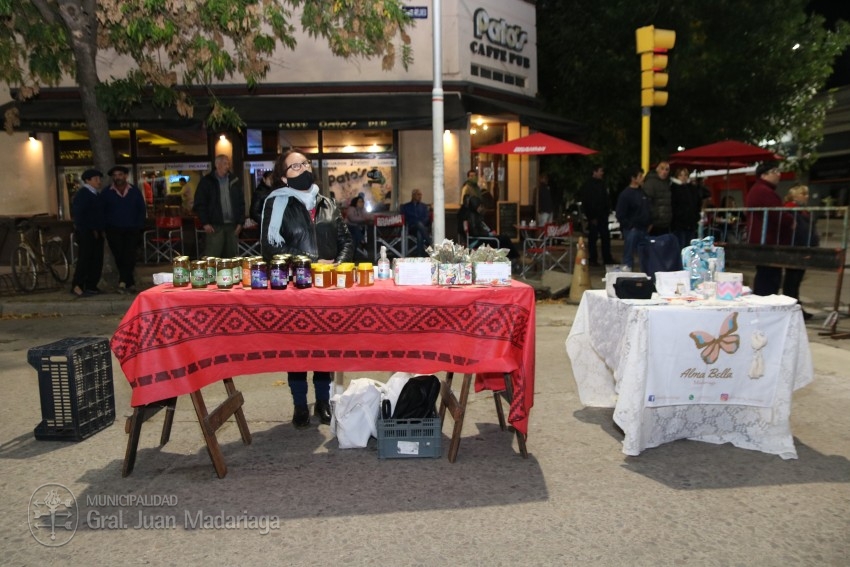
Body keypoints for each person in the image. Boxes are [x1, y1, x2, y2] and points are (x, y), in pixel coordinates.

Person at [260, 149, 354, 428]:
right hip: (295, 287)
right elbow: (269, 250)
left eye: (305, 164)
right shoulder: (276, 205)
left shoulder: (327, 203)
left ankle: (322, 402)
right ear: (283, 177)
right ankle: (300, 405)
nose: (303, 169)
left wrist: (336, 267)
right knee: (298, 349)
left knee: (324, 347)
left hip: (327, 288)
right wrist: (313, 263)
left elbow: (346, 240)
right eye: (295, 166)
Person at [745, 161, 795, 296]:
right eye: (775, 171)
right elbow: (777, 214)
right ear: (764, 175)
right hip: (767, 241)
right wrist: (791, 221)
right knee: (768, 277)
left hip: (764, 239)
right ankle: (764, 306)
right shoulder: (763, 191)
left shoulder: (761, 189)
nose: (779, 175)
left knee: (767, 275)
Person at [102, 165, 146, 293]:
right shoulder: (106, 192)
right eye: (115, 176)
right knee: (119, 256)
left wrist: (139, 225)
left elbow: (141, 209)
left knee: (130, 255)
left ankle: (123, 282)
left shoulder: (134, 191)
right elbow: (102, 211)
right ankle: (129, 282)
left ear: (126, 176)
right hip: (113, 230)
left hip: (132, 229)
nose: (117, 178)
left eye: (120, 175)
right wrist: (106, 226)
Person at [192, 155, 245, 258]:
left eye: (228, 163)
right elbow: (200, 203)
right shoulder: (207, 182)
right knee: (213, 257)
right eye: (225, 163)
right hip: (214, 226)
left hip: (232, 226)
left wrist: (240, 222)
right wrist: (205, 223)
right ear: (217, 165)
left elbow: (241, 203)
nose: (228, 166)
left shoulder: (234, 181)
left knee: (231, 258)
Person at [782, 185, 818, 320]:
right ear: (795, 196)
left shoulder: (802, 211)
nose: (807, 196)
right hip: (797, 248)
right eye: (804, 194)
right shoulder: (791, 210)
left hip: (804, 247)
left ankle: (796, 306)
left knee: (796, 280)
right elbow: (799, 231)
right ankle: (792, 307)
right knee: (792, 280)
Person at [70, 169, 106, 297]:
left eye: (99, 179)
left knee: (96, 260)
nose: (98, 181)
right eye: (95, 179)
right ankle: (77, 285)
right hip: (87, 232)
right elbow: (79, 215)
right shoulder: (83, 194)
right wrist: (89, 229)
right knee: (85, 259)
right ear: (87, 180)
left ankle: (91, 285)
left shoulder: (95, 194)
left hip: (97, 232)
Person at [461, 195, 519, 268]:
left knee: (503, 238)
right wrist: (489, 234)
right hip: (477, 241)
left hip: (479, 239)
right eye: (480, 206)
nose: (481, 208)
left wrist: (489, 234)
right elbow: (475, 233)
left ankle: (510, 259)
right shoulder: (472, 216)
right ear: (476, 206)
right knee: (503, 239)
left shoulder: (472, 215)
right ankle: (513, 258)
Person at [579, 165, 616, 266]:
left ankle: (606, 258)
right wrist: (591, 216)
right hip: (594, 216)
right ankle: (593, 258)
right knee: (593, 238)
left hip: (603, 216)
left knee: (605, 238)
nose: (602, 173)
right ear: (594, 172)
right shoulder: (589, 185)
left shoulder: (602, 184)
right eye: (600, 171)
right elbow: (587, 202)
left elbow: (605, 199)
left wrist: (607, 210)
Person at [615, 167, 650, 270]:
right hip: (632, 230)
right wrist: (630, 226)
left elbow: (647, 208)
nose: (642, 178)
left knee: (645, 255)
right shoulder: (626, 195)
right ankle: (627, 275)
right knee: (628, 256)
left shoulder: (642, 192)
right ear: (633, 178)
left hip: (643, 229)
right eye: (640, 176)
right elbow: (620, 214)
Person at [669, 166, 702, 249]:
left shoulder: (692, 189)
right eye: (681, 175)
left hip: (690, 223)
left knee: (689, 248)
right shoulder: (673, 189)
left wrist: (696, 216)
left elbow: (697, 204)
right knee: (681, 247)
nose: (683, 177)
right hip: (679, 224)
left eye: (685, 175)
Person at [643, 161, 672, 235]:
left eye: (667, 169)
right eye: (662, 169)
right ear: (657, 169)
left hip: (665, 222)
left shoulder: (667, 183)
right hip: (655, 223)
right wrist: (652, 219)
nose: (664, 172)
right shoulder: (651, 183)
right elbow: (647, 202)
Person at [400, 188, 431, 256]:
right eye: (418, 194)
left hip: (422, 228)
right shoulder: (406, 207)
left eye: (421, 195)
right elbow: (404, 219)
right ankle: (430, 243)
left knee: (419, 232)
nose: (420, 196)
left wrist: (421, 225)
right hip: (411, 228)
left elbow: (427, 218)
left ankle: (419, 256)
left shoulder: (424, 206)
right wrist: (416, 223)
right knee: (418, 223)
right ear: (413, 195)